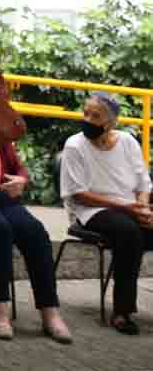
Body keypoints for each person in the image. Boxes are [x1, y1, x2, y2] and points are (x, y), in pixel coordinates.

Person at [61, 92, 153, 335]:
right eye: (86, 113)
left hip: (130, 207)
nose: (88, 119)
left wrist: (142, 207)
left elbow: (143, 183)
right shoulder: (74, 145)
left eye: (96, 116)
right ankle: (122, 312)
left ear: (110, 122)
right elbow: (78, 193)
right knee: (129, 232)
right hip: (92, 210)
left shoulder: (127, 141)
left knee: (137, 230)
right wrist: (129, 209)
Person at [0, 142, 72, 343]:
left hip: (3, 198)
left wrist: (21, 179)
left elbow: (18, 167)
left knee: (35, 232)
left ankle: (49, 310)